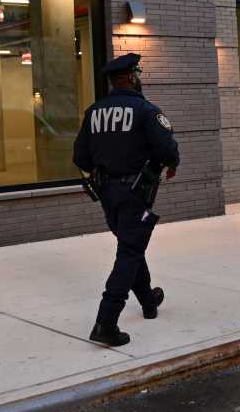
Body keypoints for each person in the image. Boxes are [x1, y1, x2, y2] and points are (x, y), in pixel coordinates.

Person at [73, 53, 179, 347]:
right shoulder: (146, 110)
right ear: (132, 77)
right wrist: (171, 164)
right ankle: (105, 322)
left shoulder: (94, 112)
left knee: (131, 246)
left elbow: (80, 156)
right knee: (129, 252)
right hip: (135, 192)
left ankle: (148, 301)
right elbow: (166, 149)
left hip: (107, 194)